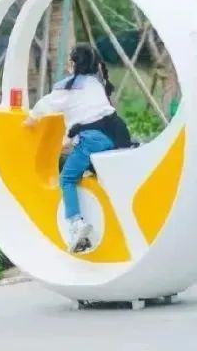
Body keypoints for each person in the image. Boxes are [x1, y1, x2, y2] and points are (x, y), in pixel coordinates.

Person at [24, 44, 134, 253]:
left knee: (66, 178)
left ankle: (77, 224)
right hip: (117, 136)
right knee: (95, 173)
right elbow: (86, 113)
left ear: (73, 63)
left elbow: (45, 104)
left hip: (92, 140)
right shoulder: (96, 83)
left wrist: (30, 119)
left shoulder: (68, 86)